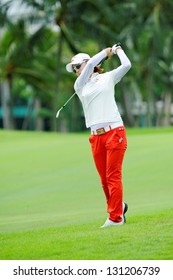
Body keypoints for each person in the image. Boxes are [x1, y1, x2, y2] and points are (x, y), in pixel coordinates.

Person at [66, 43, 131, 228]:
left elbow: (127, 66)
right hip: (96, 137)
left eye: (77, 66)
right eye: (74, 69)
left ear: (87, 64)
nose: (76, 71)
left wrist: (118, 51)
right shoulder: (79, 86)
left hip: (115, 132)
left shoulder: (108, 78)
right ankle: (119, 207)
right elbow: (92, 63)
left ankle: (115, 217)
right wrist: (105, 52)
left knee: (113, 176)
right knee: (104, 180)